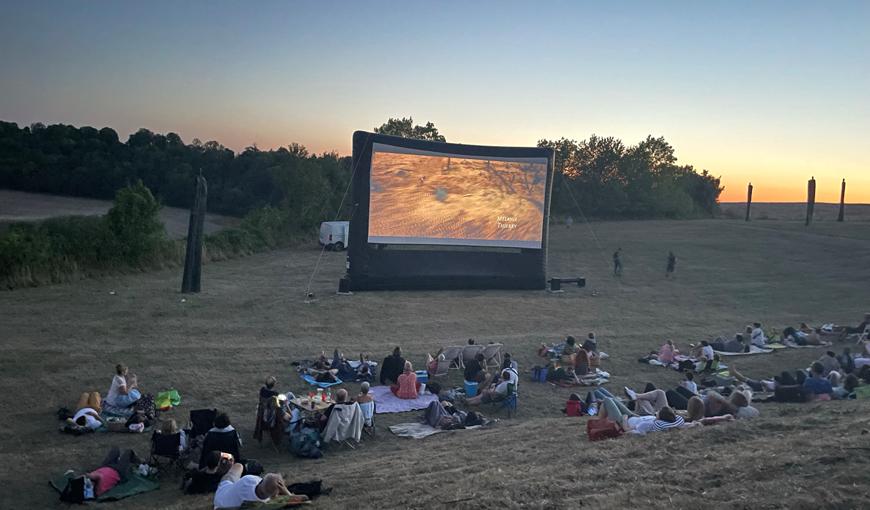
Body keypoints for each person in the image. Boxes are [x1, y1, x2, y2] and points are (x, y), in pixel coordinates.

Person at [213, 463, 293, 510]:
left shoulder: (249, 479)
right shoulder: (265, 504)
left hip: (222, 493)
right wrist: (286, 491)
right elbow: (299, 500)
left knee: (238, 466)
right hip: (220, 506)